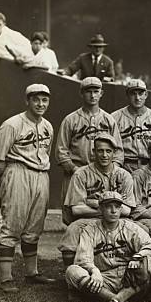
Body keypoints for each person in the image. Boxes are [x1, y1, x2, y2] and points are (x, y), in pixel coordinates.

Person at [0, 84, 56, 293]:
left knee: (34, 226)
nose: (40, 104)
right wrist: (12, 178)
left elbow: (46, 152)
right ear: (27, 100)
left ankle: (32, 273)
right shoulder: (12, 124)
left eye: (44, 100)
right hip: (18, 172)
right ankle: (6, 277)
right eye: (36, 99)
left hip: (41, 175)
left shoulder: (48, 126)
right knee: (12, 224)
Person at [65, 191, 151, 302]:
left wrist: (138, 257)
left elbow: (150, 245)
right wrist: (94, 271)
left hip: (128, 279)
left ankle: (115, 301)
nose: (113, 211)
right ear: (100, 209)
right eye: (109, 206)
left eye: (117, 207)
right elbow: (83, 258)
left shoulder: (130, 227)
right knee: (72, 271)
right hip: (103, 279)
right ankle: (121, 301)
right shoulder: (90, 229)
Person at [58, 133, 136, 267]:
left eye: (108, 151)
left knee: (138, 231)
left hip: (117, 220)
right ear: (94, 152)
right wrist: (109, 208)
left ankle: (128, 272)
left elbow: (127, 210)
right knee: (72, 230)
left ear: (114, 153)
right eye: (100, 150)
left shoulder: (124, 175)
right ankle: (70, 275)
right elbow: (77, 209)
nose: (104, 155)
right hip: (89, 220)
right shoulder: (81, 173)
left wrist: (94, 203)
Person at [55, 76, 124, 224]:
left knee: (103, 217)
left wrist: (110, 171)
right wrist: (76, 171)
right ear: (81, 93)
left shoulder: (108, 119)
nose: (92, 95)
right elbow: (61, 151)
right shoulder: (70, 119)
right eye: (88, 91)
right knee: (72, 217)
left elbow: (118, 151)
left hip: (103, 175)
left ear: (101, 93)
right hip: (76, 171)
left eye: (96, 91)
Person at [112, 79, 151, 173]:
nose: (137, 98)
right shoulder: (115, 117)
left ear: (146, 95)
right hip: (124, 167)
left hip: (150, 167)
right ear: (127, 95)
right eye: (133, 93)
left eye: (140, 93)